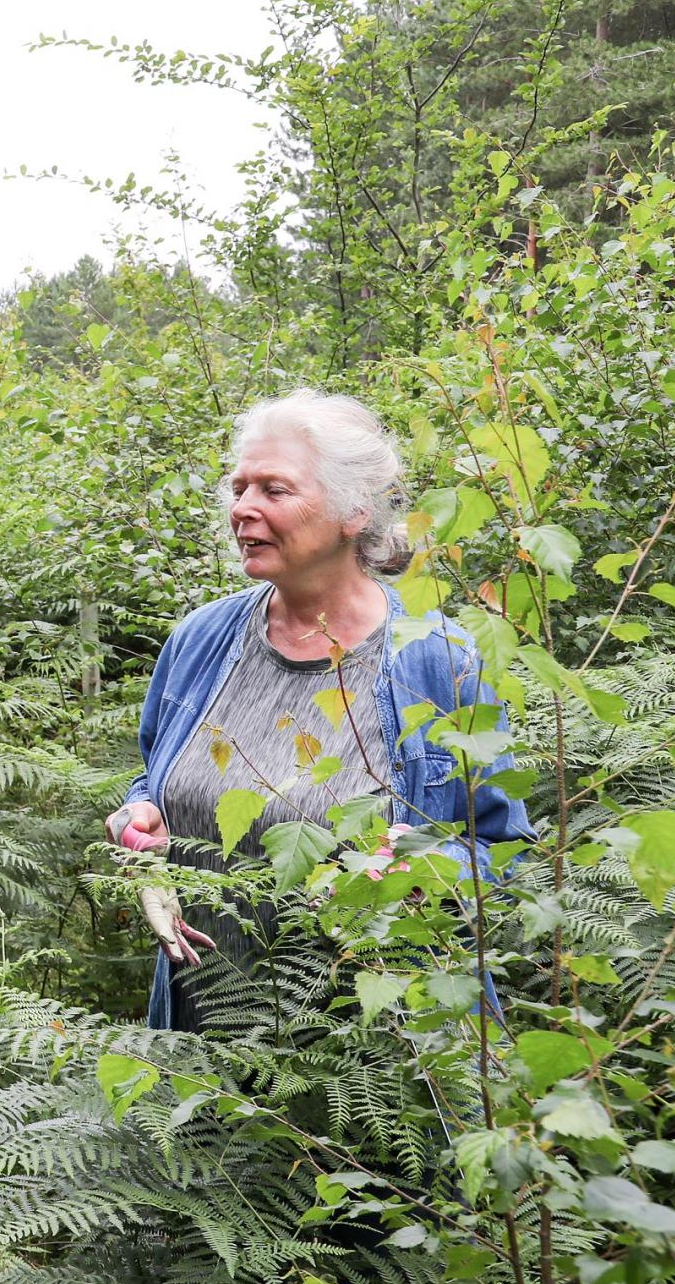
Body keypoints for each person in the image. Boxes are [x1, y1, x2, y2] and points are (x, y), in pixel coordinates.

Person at [105, 389, 532, 1032]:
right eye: (239, 487)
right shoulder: (200, 640)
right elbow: (155, 780)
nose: (242, 508)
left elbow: (502, 846)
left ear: (353, 510)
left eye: (274, 490)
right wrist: (139, 820)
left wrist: (431, 871)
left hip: (381, 1064)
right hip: (206, 1049)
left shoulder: (437, 658)